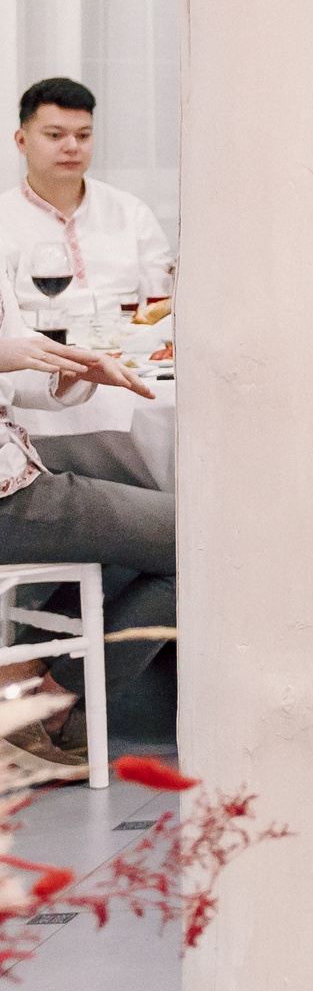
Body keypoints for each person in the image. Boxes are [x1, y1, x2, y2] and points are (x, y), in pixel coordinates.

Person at [0, 263, 172, 768]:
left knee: (140, 538)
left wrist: (68, 373)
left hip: (19, 477)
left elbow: (17, 362)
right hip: (11, 498)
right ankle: (46, 704)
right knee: (203, 541)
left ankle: (19, 683)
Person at [0, 79, 177, 323]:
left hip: (128, 344)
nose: (72, 146)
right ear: (22, 141)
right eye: (55, 135)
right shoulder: (5, 218)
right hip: (37, 345)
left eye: (83, 135)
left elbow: (162, 304)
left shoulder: (131, 212)